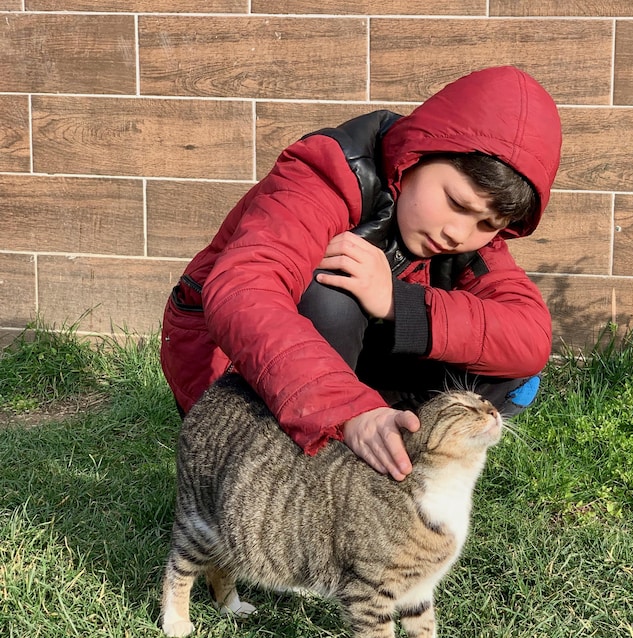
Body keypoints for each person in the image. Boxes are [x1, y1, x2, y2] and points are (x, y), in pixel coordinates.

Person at [160, 66, 562, 481]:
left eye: (488, 224)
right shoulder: (328, 172)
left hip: (349, 368)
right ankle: (313, 467)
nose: (458, 233)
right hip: (240, 372)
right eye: (456, 203)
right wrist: (347, 409)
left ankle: (383, 456)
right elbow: (244, 288)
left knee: (509, 366)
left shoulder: (468, 238)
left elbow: (529, 337)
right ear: (418, 155)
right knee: (331, 293)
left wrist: (397, 304)